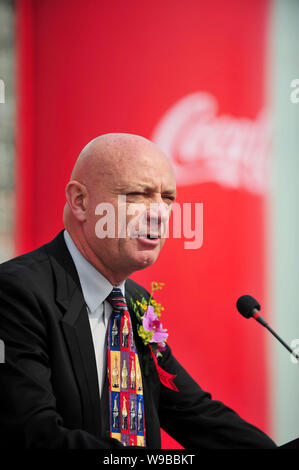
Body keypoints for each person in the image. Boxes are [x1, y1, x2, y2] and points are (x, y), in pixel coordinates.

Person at [0, 133, 276, 449]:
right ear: (80, 202)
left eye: (168, 198)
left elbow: (194, 413)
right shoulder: (15, 293)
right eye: (137, 195)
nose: (159, 213)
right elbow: (33, 436)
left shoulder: (136, 303)